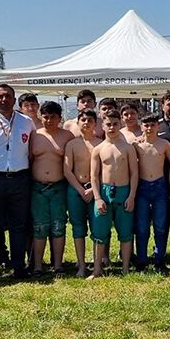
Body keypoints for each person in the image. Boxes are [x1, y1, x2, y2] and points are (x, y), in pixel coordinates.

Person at [0, 84, 34, 281]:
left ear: (14, 99)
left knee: (19, 226)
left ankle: (19, 267)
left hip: (20, 179)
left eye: (8, 96)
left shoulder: (27, 122)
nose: (4, 99)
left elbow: (32, 151)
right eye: (0, 96)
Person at [91, 111, 138, 275]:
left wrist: (131, 196)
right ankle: (97, 269)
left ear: (120, 125)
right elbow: (94, 176)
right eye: (108, 124)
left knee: (126, 232)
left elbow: (134, 173)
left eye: (115, 124)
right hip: (104, 192)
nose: (112, 127)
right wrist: (97, 198)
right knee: (99, 232)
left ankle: (125, 268)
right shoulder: (98, 149)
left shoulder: (128, 148)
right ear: (102, 126)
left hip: (123, 191)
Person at [29, 101, 72, 274]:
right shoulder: (34, 135)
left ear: (60, 118)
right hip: (37, 188)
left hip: (59, 187)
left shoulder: (67, 136)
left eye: (53, 117)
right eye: (45, 116)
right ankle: (38, 265)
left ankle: (58, 264)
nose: (48, 120)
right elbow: (29, 160)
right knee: (39, 226)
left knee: (58, 225)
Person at [63, 109, 101, 278]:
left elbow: (105, 170)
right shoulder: (72, 144)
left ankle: (97, 264)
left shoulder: (101, 144)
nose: (86, 123)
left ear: (95, 124)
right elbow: (67, 170)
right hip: (75, 189)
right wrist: (80, 189)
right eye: (83, 120)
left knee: (97, 227)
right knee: (78, 227)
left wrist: (93, 189)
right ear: (77, 123)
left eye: (90, 120)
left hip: (96, 189)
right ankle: (81, 265)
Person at [133, 113, 170, 273]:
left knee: (160, 225)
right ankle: (141, 260)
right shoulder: (136, 145)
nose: (149, 128)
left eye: (152, 125)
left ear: (158, 126)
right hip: (142, 187)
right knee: (142, 227)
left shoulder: (164, 144)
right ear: (141, 126)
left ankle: (159, 259)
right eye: (146, 125)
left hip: (160, 186)